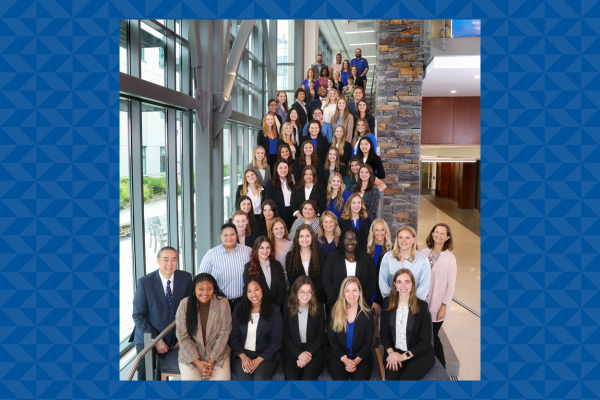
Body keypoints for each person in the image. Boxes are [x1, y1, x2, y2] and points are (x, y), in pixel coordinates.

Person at [132, 247, 193, 380]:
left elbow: (190, 310)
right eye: (165, 260)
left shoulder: (186, 278)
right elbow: (138, 315)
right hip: (148, 334)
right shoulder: (145, 282)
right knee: (144, 369)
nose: (170, 264)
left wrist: (182, 337)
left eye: (174, 259)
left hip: (173, 334)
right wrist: (157, 340)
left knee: (161, 370)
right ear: (158, 261)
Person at [380, 269, 435, 380]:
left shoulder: (422, 307)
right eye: (399, 282)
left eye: (407, 282)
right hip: (396, 351)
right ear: (394, 284)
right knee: (391, 380)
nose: (403, 286)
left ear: (412, 284)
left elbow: (425, 342)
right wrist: (392, 354)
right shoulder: (387, 302)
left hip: (419, 354)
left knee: (405, 382)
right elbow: (384, 334)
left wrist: (403, 356)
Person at [175, 273, 232, 380]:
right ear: (194, 289)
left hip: (218, 356)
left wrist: (211, 361)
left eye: (209, 289)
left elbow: (224, 334)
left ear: (214, 289)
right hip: (191, 356)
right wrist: (197, 362)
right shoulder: (184, 305)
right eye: (201, 289)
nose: (205, 292)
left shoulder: (223, 303)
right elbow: (183, 337)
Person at [229, 277, 283, 380]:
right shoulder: (238, 309)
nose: (253, 294)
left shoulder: (274, 310)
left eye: (256, 289)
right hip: (242, 354)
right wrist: (243, 357)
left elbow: (276, 341)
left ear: (262, 289)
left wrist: (257, 360)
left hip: (266, 355)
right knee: (245, 381)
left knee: (260, 379)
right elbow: (233, 337)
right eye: (249, 291)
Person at [421, 223, 457, 369]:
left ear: (447, 237)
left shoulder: (449, 258)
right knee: (424, 335)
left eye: (443, 233)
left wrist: (444, 306)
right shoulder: (423, 252)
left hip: (437, 304)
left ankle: (442, 367)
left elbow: (451, 285)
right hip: (422, 302)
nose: (439, 235)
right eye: (437, 232)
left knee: (433, 336)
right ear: (432, 233)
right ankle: (427, 363)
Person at [327, 276, 374, 380]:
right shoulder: (334, 311)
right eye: (347, 291)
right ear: (343, 293)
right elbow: (332, 339)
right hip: (338, 356)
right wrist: (345, 359)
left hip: (361, 357)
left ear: (360, 292)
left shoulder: (368, 314)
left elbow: (368, 342)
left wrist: (355, 361)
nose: (351, 294)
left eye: (354, 290)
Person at [198, 223, 252, 312]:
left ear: (237, 235)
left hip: (243, 301)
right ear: (221, 236)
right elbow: (202, 278)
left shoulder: (248, 251)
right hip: (220, 302)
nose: (229, 238)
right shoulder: (211, 254)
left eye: (232, 234)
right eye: (225, 235)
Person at [322, 227, 377, 312]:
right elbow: (326, 281)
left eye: (353, 239)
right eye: (346, 240)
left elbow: (372, 282)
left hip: (361, 305)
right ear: (341, 241)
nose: (350, 242)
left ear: (358, 240)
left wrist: (360, 301)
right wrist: (339, 301)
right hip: (336, 305)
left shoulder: (366, 257)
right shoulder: (333, 256)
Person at [282, 276, 326, 380]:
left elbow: (320, 336)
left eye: (308, 292)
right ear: (295, 292)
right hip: (293, 352)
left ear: (312, 292)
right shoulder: (288, 307)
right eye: (301, 291)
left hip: (314, 352)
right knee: (291, 378)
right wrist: (299, 354)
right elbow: (285, 335)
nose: (305, 295)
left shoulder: (319, 307)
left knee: (308, 378)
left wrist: (306, 356)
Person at [378, 226, 431, 300]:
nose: (403, 241)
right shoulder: (388, 257)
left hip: (414, 304)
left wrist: (413, 303)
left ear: (414, 239)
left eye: (407, 238)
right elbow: (383, 281)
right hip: (391, 302)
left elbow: (424, 286)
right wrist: (389, 300)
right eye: (400, 237)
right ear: (397, 239)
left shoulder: (422, 260)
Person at [243, 236, 287, 310]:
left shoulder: (277, 264)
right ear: (256, 249)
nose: (265, 251)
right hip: (258, 308)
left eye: (268, 247)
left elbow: (282, 289)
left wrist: (276, 306)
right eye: (261, 248)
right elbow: (249, 290)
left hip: (277, 308)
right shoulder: (249, 267)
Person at [285, 224, 325, 304]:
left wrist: (311, 295)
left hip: (317, 298)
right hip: (298, 299)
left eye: (307, 236)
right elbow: (292, 280)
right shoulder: (290, 256)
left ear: (312, 237)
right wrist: (303, 296)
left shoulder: (319, 254)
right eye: (301, 236)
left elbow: (322, 278)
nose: (304, 239)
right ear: (297, 238)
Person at [365, 219, 392, 326]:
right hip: (365, 294)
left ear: (386, 232)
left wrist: (378, 301)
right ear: (372, 231)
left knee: (372, 328)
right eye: (377, 230)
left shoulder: (391, 251)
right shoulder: (365, 248)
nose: (380, 233)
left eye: (382, 230)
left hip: (379, 295)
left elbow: (388, 279)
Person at [264, 160, 295, 230]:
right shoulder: (270, 183)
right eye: (280, 168)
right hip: (278, 213)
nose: (283, 170)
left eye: (285, 167)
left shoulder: (291, 183)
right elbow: (268, 202)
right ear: (276, 169)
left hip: (291, 214)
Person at [269, 217, 293, 288]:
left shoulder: (291, 244)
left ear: (285, 229)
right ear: (272, 231)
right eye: (276, 229)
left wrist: (289, 284)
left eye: (281, 228)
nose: (279, 231)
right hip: (273, 283)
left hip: (289, 282)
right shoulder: (268, 246)